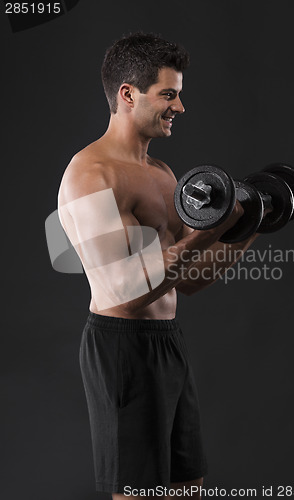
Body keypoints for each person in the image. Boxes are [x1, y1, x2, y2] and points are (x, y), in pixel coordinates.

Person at [57, 32, 259, 499]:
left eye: (179, 95)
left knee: (188, 485)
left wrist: (248, 225)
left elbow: (187, 281)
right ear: (128, 94)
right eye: (169, 94)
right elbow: (126, 289)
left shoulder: (163, 173)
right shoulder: (93, 175)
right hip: (122, 348)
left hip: (167, 341)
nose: (180, 107)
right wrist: (210, 230)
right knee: (139, 492)